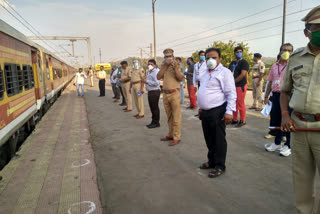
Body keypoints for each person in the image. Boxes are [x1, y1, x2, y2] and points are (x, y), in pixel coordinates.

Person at [281, 6, 320, 213]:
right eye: (317, 27)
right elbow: (285, 91)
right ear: (307, 31)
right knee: (302, 176)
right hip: (298, 126)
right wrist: (285, 115)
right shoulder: (295, 58)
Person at [198, 48, 237, 178]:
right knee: (209, 138)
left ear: (219, 59)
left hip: (218, 110)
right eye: (208, 57)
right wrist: (200, 106)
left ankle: (220, 165)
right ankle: (212, 161)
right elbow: (203, 90)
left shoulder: (224, 72)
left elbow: (231, 93)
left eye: (214, 57)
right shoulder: (205, 73)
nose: (210, 60)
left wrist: (229, 111)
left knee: (218, 139)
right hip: (205, 112)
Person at [264, 43, 293, 156]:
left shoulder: (292, 65)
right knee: (277, 120)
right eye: (284, 50)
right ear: (280, 51)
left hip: (287, 96)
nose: (286, 52)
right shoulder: (274, 66)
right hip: (275, 96)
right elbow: (270, 81)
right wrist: (266, 96)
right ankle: (277, 143)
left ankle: (288, 145)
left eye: (289, 50)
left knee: (287, 120)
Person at [157, 48, 183, 146]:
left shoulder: (177, 65)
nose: (168, 58)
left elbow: (180, 78)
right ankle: (170, 134)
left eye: (170, 56)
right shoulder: (163, 66)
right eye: (166, 56)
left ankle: (177, 137)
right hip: (165, 93)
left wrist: (175, 67)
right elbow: (158, 77)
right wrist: (165, 65)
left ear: (173, 56)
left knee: (176, 116)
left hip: (174, 93)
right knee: (169, 116)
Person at [229, 46, 249, 128]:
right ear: (234, 53)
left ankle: (242, 120)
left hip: (240, 85)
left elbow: (243, 74)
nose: (239, 53)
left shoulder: (244, 62)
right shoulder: (232, 63)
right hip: (232, 86)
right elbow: (229, 72)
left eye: (240, 51)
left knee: (240, 103)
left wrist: (233, 82)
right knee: (234, 102)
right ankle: (234, 119)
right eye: (237, 52)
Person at [145, 59, 161, 128]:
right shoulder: (150, 72)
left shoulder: (156, 72)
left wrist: (146, 81)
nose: (149, 66)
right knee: (152, 107)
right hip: (151, 91)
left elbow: (156, 83)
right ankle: (153, 121)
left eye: (151, 64)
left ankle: (156, 122)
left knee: (154, 107)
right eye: (148, 64)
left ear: (154, 65)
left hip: (155, 91)